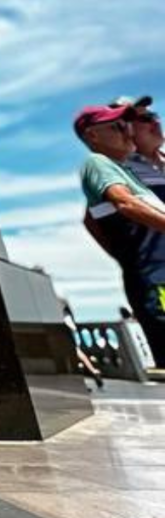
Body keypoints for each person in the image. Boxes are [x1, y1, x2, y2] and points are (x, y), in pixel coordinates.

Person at [77, 104, 165, 366]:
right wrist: (129, 259)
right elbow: (125, 204)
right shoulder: (98, 163)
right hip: (157, 280)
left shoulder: (127, 169)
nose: (126, 132)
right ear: (93, 136)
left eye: (127, 125)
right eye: (117, 126)